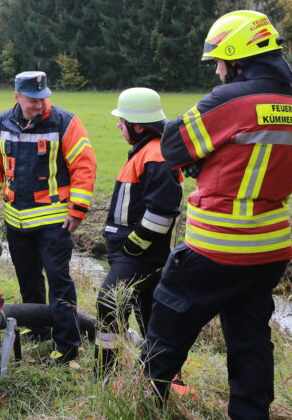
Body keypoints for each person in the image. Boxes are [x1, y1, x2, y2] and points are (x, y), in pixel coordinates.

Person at [141, 10, 292, 419]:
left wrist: (201, 156)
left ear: (236, 58)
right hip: (269, 250)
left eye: (218, 60)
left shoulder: (230, 99)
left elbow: (174, 146)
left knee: (168, 317)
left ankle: (144, 400)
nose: (216, 71)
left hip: (217, 245)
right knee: (250, 339)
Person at [0, 71, 97, 364]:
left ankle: (68, 346)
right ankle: (39, 329)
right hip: (17, 221)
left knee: (59, 281)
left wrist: (78, 209)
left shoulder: (66, 123)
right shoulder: (1, 122)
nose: (40, 105)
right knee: (28, 278)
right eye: (33, 100)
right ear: (17, 97)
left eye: (44, 98)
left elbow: (84, 166)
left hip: (54, 221)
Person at [95, 88, 183, 379]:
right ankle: (155, 376)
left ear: (138, 126)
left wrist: (134, 245)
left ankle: (106, 374)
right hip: (139, 254)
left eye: (122, 121)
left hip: (140, 254)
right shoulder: (149, 151)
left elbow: (162, 210)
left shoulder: (156, 154)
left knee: (110, 301)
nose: (119, 126)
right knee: (148, 314)